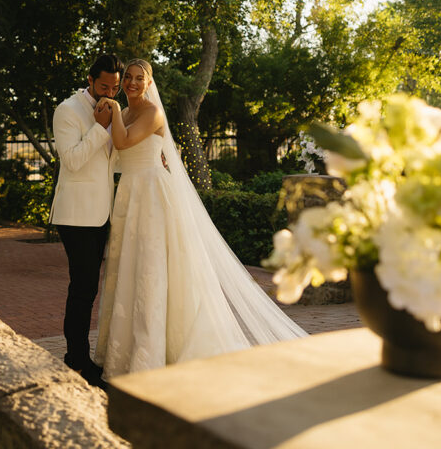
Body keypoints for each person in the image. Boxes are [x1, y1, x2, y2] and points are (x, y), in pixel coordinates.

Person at [94, 58, 306, 379]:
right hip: (128, 195)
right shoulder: (123, 114)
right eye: (128, 77)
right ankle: (123, 354)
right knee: (129, 268)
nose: (132, 83)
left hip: (150, 195)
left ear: (149, 84)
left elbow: (121, 142)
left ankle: (149, 355)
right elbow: (113, 150)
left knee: (150, 270)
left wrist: (108, 105)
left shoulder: (152, 113)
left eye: (140, 78)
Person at [49, 52, 124, 389]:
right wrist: (100, 127)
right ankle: (76, 358)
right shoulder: (67, 110)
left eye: (115, 87)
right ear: (91, 80)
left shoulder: (113, 109)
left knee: (90, 287)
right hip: (76, 215)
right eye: (103, 85)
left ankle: (80, 355)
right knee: (82, 287)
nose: (109, 92)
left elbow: (113, 161)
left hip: (103, 211)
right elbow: (73, 161)